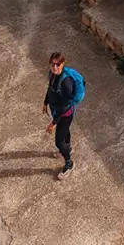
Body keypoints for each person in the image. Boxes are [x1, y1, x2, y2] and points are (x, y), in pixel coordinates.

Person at [42, 52, 83, 180]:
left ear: (63, 64)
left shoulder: (66, 82)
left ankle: (69, 163)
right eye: (52, 64)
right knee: (65, 132)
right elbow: (50, 89)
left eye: (58, 64)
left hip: (65, 114)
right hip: (57, 110)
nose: (55, 67)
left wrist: (53, 123)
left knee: (59, 142)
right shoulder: (52, 75)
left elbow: (64, 106)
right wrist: (45, 102)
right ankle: (68, 147)